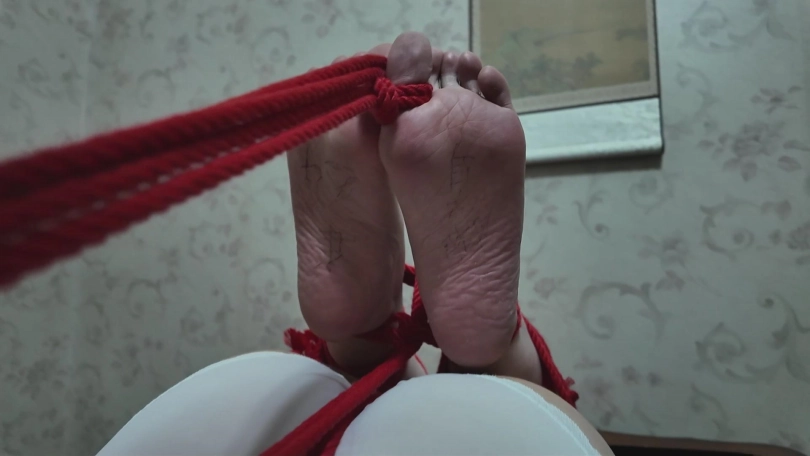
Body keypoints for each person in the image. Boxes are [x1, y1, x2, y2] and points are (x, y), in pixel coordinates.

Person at [97, 32, 613, 456]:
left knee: (347, 388)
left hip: (272, 413)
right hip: (494, 432)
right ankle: (494, 351)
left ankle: (360, 341)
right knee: (509, 401)